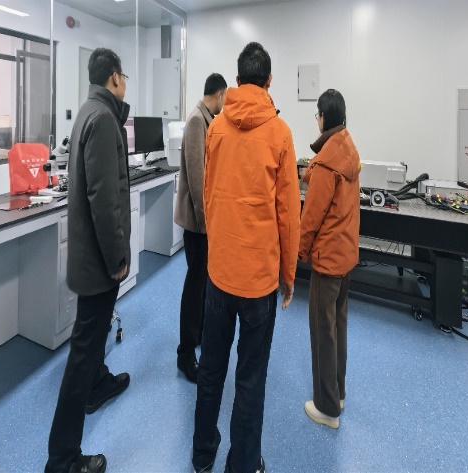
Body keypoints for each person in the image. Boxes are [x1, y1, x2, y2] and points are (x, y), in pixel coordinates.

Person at [192, 42, 300, 473]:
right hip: (259, 281)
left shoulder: (216, 128)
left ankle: (202, 456)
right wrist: (288, 275)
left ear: (237, 80)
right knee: (250, 380)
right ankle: (242, 464)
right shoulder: (280, 134)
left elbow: (208, 195)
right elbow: (288, 215)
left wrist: (217, 248)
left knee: (211, 369)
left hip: (219, 273)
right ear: (269, 81)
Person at [45, 48, 132, 473]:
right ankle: (62, 458)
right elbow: (103, 198)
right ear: (115, 77)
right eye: (124, 75)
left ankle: (98, 384)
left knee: (91, 341)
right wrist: (118, 257)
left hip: (89, 256)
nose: (125, 82)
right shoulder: (103, 119)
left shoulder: (88, 111)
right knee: (82, 353)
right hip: (99, 261)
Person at [298, 89, 361, 429]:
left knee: (323, 333)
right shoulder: (348, 149)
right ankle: (337, 392)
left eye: (317, 115)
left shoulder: (325, 163)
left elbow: (311, 218)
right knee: (338, 327)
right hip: (346, 256)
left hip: (327, 260)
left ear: (323, 117)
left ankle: (326, 408)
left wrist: (298, 253)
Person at [174, 72, 228, 384]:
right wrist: (208, 226)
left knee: (202, 287)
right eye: (225, 99)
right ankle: (185, 355)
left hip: (203, 223)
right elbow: (197, 180)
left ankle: (198, 339)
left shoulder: (208, 119)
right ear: (218, 95)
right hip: (198, 226)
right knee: (194, 289)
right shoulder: (197, 121)